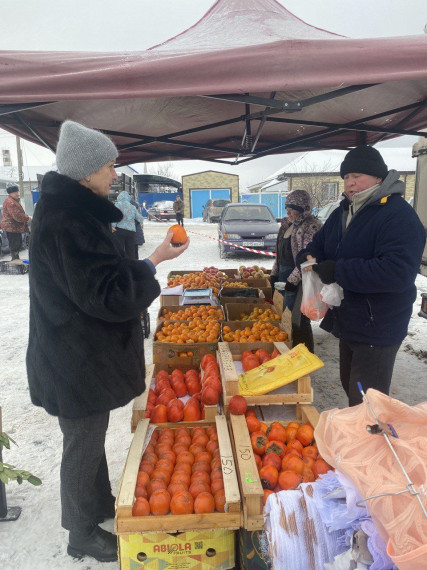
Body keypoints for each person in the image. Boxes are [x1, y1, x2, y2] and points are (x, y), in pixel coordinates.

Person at [26, 120, 189, 563]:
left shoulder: (70, 212)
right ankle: (81, 533)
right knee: (81, 441)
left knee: (88, 434)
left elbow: (96, 282)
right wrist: (153, 261)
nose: (115, 173)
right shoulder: (69, 220)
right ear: (85, 171)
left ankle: (95, 504)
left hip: (73, 351)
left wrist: (145, 261)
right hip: (75, 357)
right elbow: (108, 295)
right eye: (109, 165)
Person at [299, 145, 425, 406]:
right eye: (346, 177)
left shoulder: (397, 215)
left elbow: (396, 272)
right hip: (349, 320)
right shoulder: (342, 212)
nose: (350, 183)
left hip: (378, 325)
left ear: (378, 177)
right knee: (351, 386)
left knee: (368, 401)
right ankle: (362, 438)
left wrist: (339, 270)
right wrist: (309, 255)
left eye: (357, 175)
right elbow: (320, 244)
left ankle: (372, 443)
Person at [270, 189, 321, 353]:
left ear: (303, 208)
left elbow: (309, 258)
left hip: (302, 280)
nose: (288, 211)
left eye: (292, 207)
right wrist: (274, 274)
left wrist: (292, 281)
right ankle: (291, 354)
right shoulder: (286, 224)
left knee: (299, 320)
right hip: (285, 278)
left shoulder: (311, 226)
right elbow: (280, 254)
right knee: (286, 318)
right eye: (287, 206)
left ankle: (306, 356)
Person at [0, 185, 31, 260]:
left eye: (17, 192)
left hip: (13, 227)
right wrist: (27, 218)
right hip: (12, 227)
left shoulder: (12, 201)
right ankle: (15, 259)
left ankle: (15, 258)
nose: (17, 194)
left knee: (16, 243)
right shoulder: (11, 203)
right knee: (15, 244)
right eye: (15, 192)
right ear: (10, 194)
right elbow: (17, 216)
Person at [112, 191, 145, 259]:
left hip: (120, 230)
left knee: (120, 248)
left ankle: (120, 263)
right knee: (130, 250)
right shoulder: (132, 207)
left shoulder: (117, 205)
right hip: (131, 232)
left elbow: (114, 216)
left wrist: (113, 226)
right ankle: (131, 264)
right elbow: (140, 219)